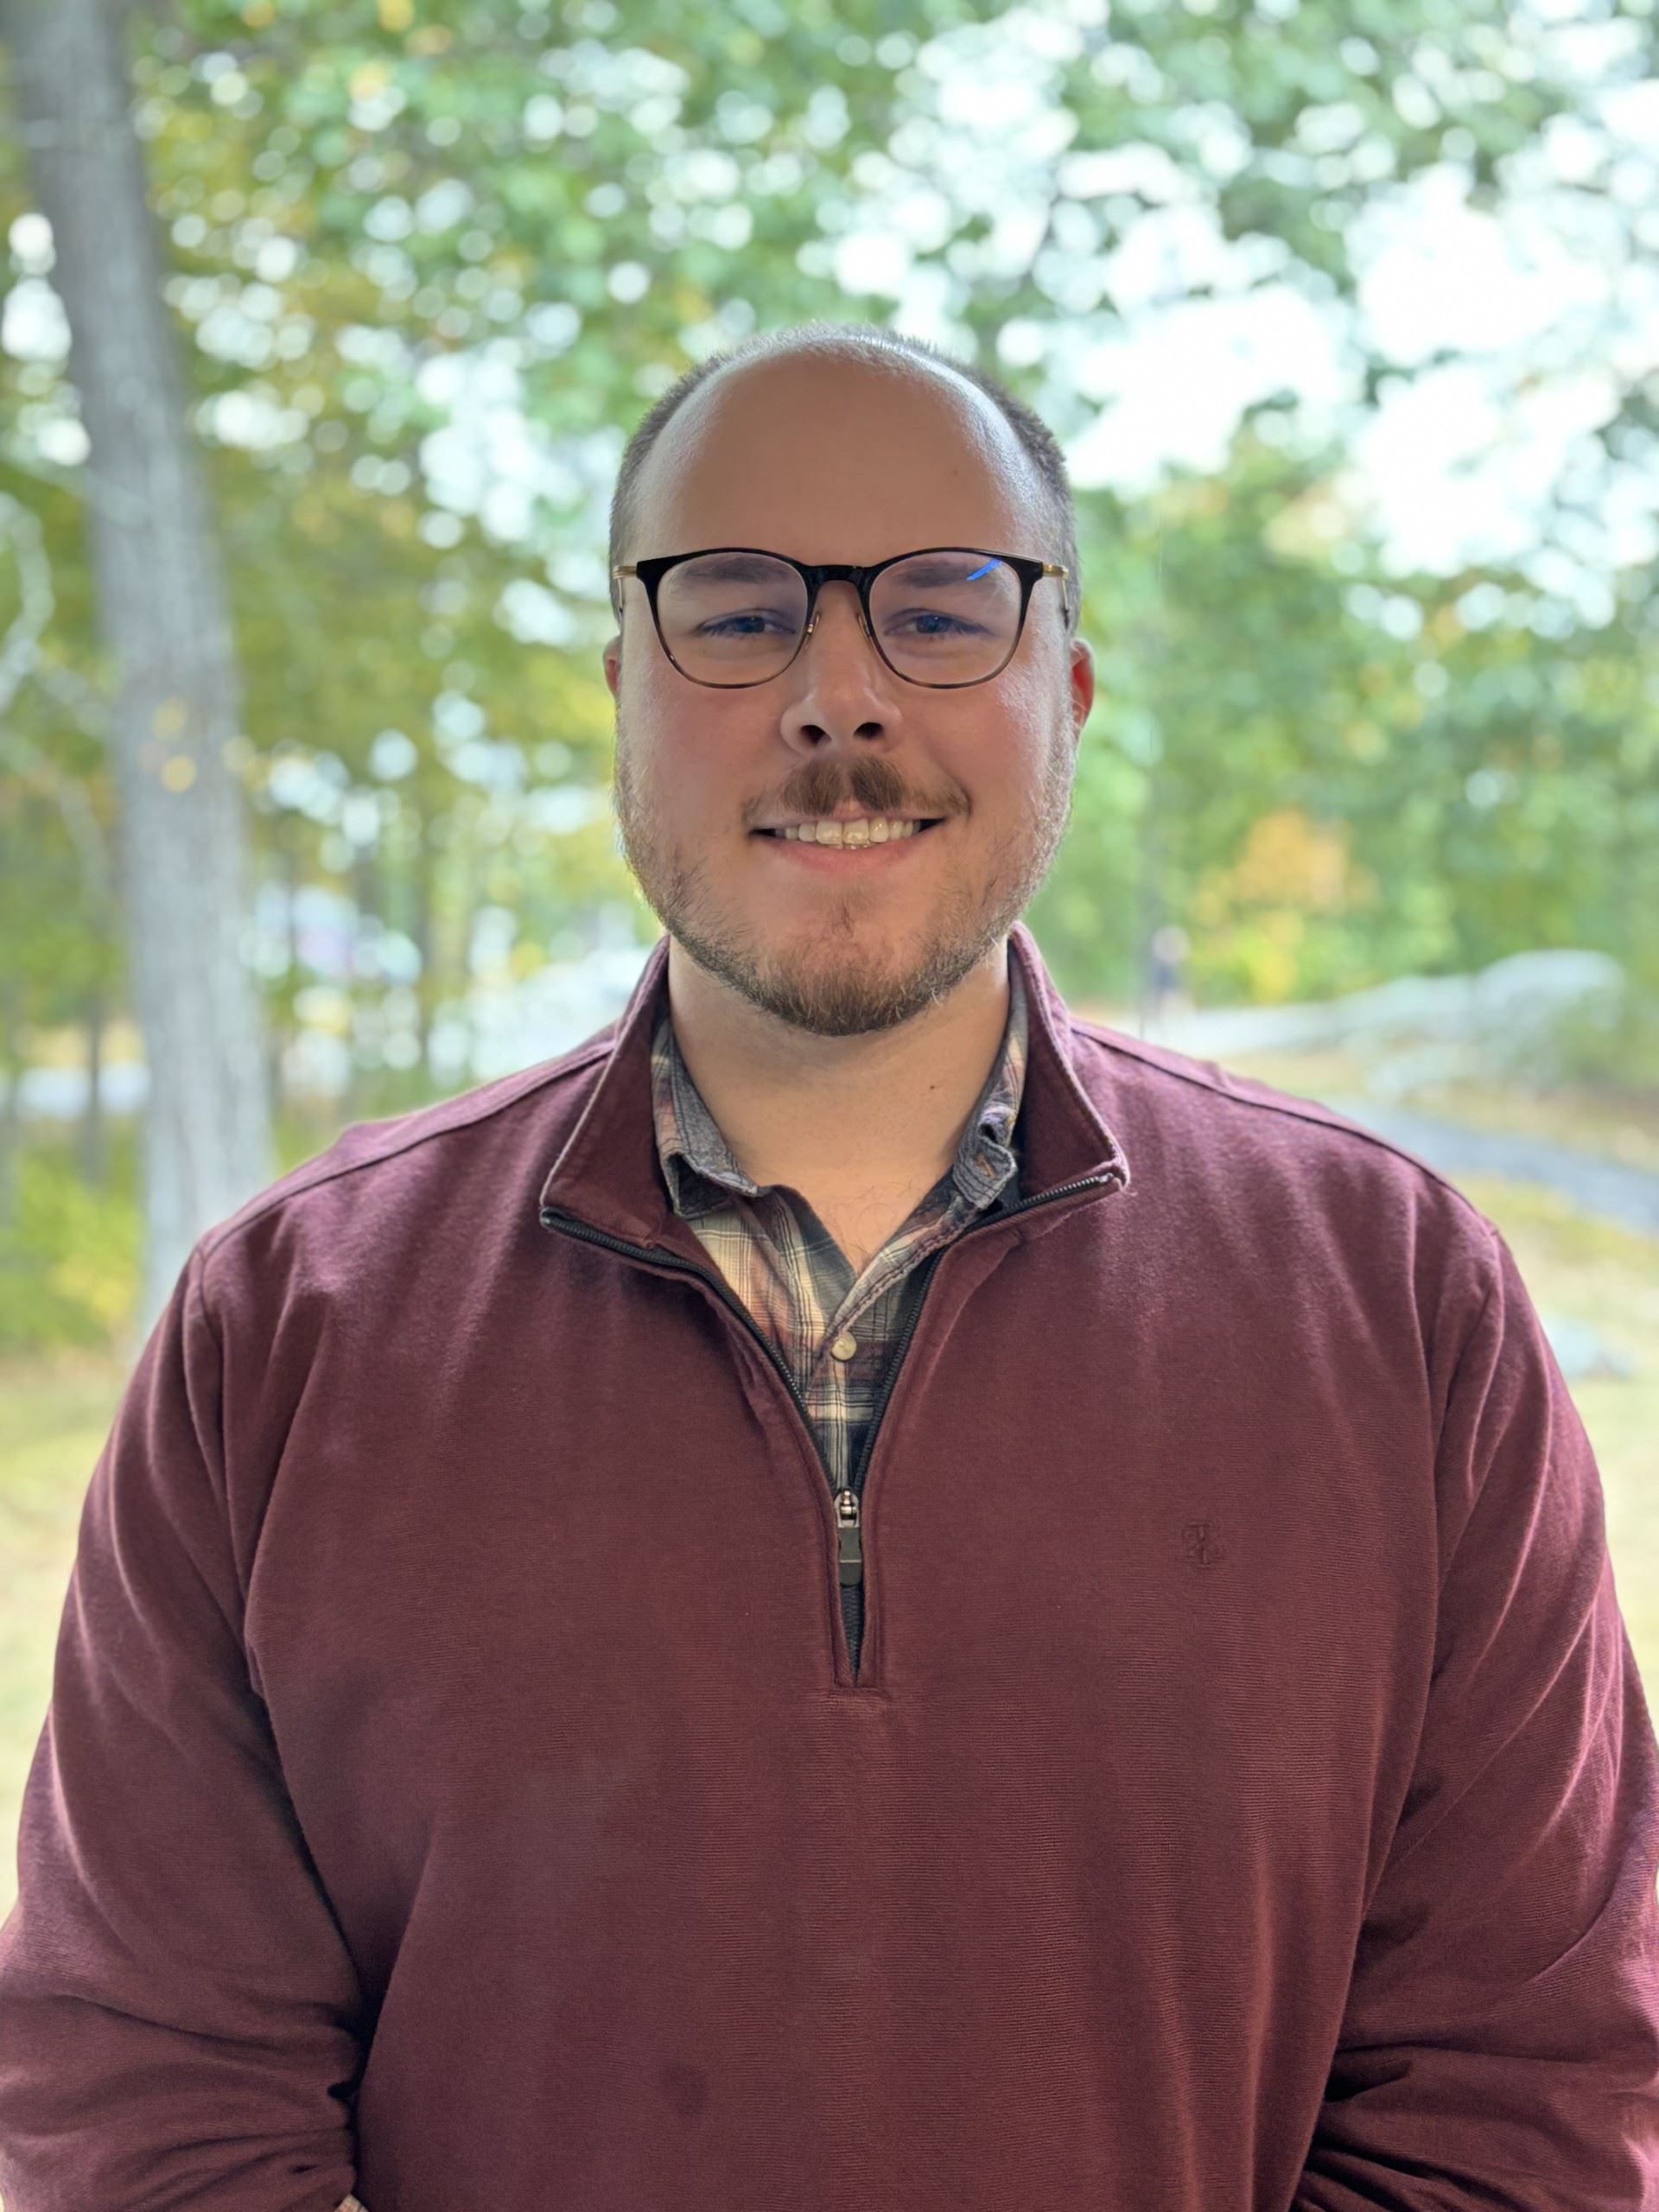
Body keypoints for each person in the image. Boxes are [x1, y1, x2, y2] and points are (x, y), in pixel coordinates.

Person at [1, 322, 1656, 2211]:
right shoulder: (280, 1329)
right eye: (738, 608)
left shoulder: (1400, 1301)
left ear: (1074, 688)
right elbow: (148, 2108)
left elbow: (1529, 2095)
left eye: (946, 610)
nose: (839, 696)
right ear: (622, 683)